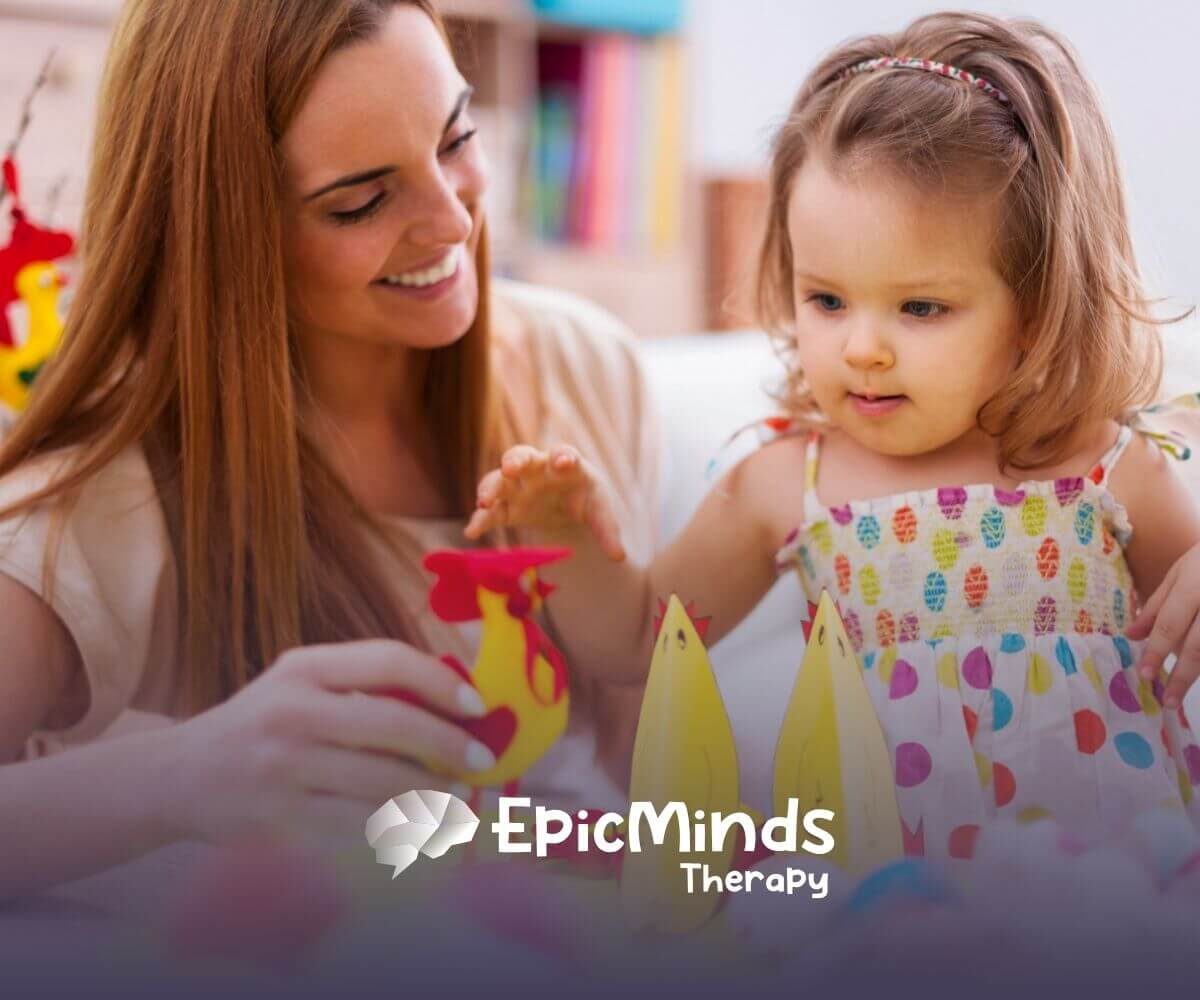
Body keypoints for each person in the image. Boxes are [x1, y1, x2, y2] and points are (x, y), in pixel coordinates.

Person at [467, 12, 1200, 861]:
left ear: (1037, 310)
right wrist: (566, 533)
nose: (861, 347)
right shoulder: (786, 482)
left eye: (920, 307)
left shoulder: (1115, 469)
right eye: (826, 300)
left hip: (1121, 888)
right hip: (887, 898)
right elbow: (636, 641)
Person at [0, 0, 657, 898]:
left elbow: (653, 766)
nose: (454, 222)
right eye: (362, 201)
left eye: (456, 137)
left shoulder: (583, 363)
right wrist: (181, 777)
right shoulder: (106, 496)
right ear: (223, 239)